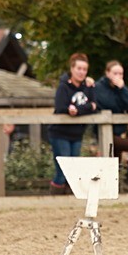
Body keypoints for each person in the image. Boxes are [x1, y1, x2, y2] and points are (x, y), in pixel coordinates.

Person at [94, 60, 128, 195]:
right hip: (105, 133)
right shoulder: (98, 88)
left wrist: (123, 89)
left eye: (121, 74)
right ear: (107, 73)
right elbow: (107, 105)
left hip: (119, 133)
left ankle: (120, 188)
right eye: (115, 73)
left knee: (115, 165)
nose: (118, 76)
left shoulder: (121, 89)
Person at [49, 52, 98, 195]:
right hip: (60, 133)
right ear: (72, 69)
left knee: (73, 171)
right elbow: (61, 107)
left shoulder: (89, 86)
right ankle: (54, 198)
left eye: (84, 69)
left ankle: (70, 199)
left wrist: (78, 110)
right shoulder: (63, 87)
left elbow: (95, 106)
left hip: (77, 134)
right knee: (63, 170)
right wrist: (81, 109)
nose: (81, 72)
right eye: (79, 68)